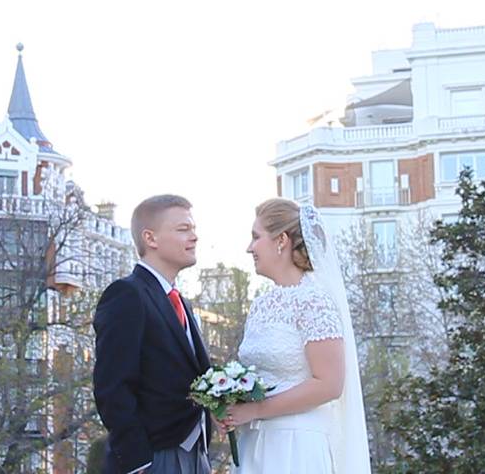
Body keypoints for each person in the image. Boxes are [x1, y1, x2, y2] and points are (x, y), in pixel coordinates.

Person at [225, 198, 370, 473]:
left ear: (281, 240)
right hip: (254, 442)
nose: (249, 248)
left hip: (296, 445)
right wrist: (231, 405)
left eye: (256, 237)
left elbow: (329, 384)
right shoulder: (261, 304)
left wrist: (256, 410)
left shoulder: (314, 301)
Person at [93, 194, 212, 474]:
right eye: (183, 229)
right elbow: (112, 386)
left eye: (193, 229)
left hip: (196, 456)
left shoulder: (182, 302)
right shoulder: (126, 294)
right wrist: (139, 462)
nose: (194, 237)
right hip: (154, 459)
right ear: (151, 238)